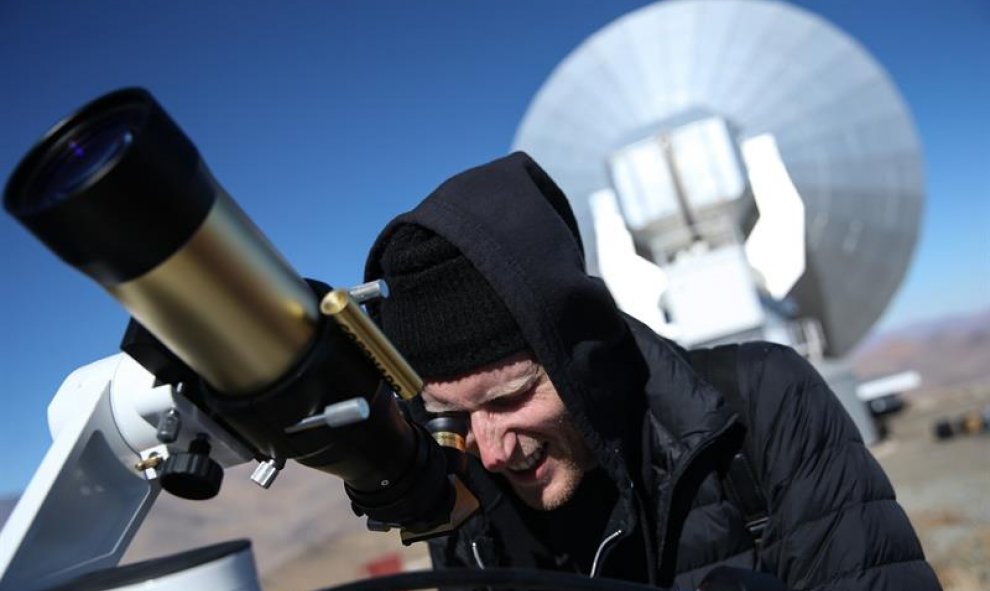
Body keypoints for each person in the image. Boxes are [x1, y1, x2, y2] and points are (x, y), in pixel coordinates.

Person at [363, 152, 941, 590]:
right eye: (454, 413)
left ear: (578, 355)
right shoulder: (462, 483)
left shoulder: (764, 403)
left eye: (511, 398)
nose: (488, 451)